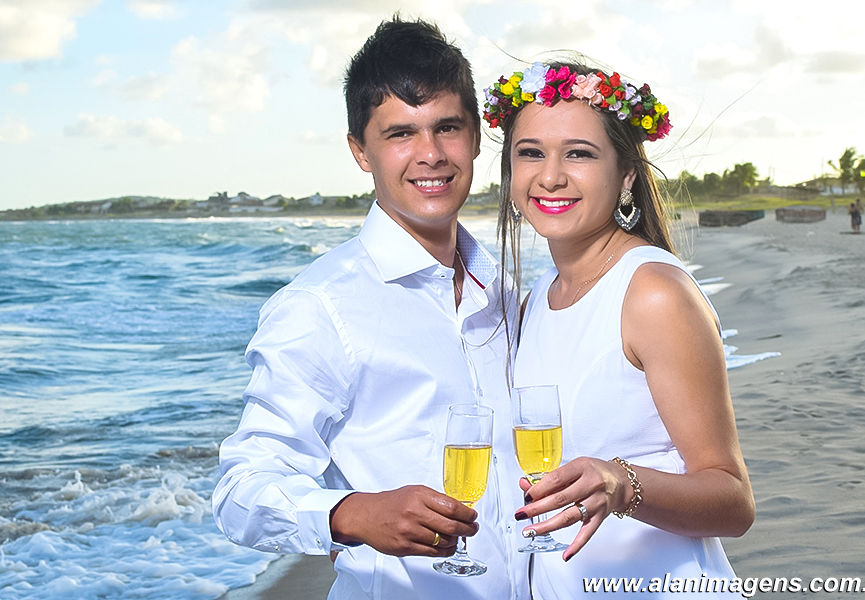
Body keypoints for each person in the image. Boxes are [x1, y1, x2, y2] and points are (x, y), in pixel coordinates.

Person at [212, 18, 528, 599]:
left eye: (448, 128)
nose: (430, 154)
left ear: (477, 138)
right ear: (361, 151)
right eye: (400, 133)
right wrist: (352, 513)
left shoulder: (505, 291)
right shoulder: (320, 306)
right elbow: (241, 491)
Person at [485, 61, 755, 597]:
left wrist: (621, 484)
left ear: (627, 173)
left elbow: (733, 501)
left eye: (579, 154)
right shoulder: (536, 300)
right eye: (530, 152)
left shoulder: (653, 293)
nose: (550, 176)